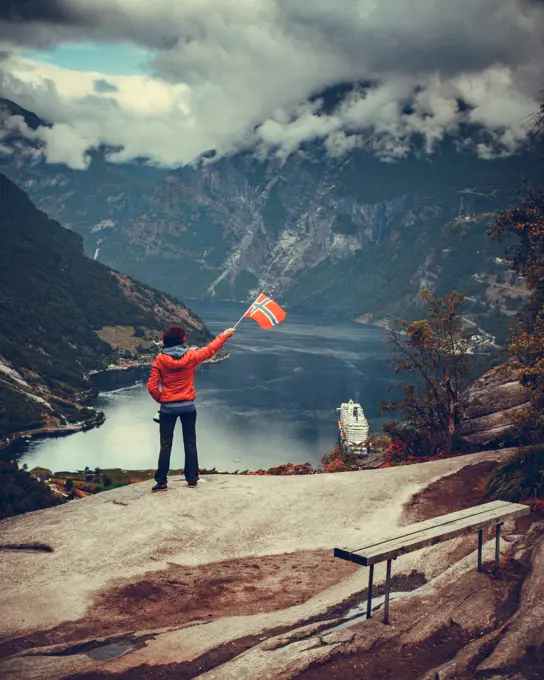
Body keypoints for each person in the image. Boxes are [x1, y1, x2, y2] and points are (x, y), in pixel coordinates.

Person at [147, 325, 236, 491]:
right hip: (188, 407)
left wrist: (163, 399)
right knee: (190, 442)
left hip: (168, 408)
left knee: (166, 444)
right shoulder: (191, 356)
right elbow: (210, 349)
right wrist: (225, 335)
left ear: (165, 342)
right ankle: (192, 479)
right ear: (183, 340)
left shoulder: (160, 359)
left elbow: (152, 386)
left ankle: (161, 482)